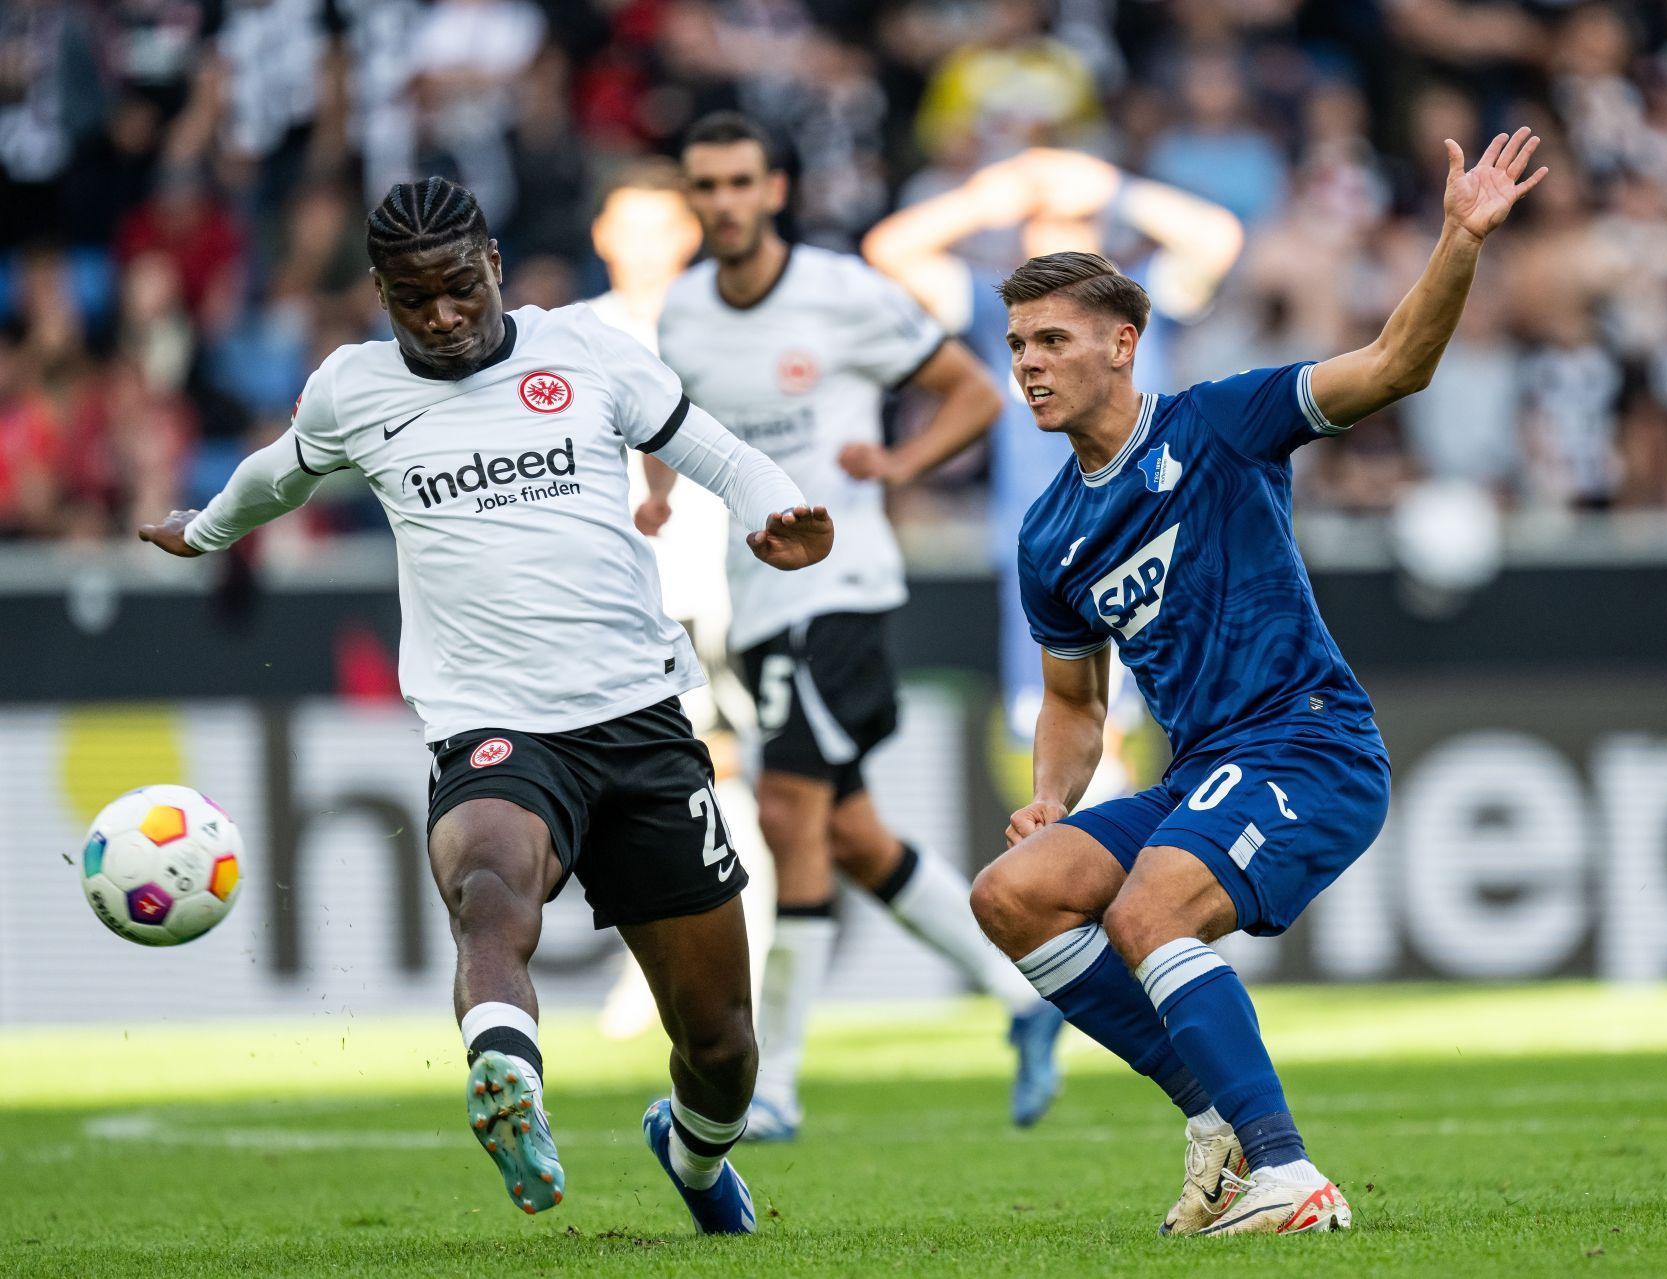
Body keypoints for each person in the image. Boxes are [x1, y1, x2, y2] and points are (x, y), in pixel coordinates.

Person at [137, 176, 835, 1234]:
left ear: (496, 265)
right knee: (491, 891)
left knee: (721, 1041)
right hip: (493, 725)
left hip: (640, 719)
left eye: (460, 287)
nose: (444, 315)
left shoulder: (587, 351)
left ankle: (695, 1161)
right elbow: (276, 477)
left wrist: (775, 509)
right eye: (414, 298)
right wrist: (204, 531)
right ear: (379, 293)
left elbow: (717, 456)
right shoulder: (352, 390)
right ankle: (507, 1082)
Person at [968, 130, 1547, 1237]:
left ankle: (1289, 1174)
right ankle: (1219, 1117)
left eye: (1052, 340)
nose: (1028, 364)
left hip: (1306, 745)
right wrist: (1055, 793)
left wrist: (1459, 239)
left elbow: (1393, 366)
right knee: (1015, 891)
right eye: (1017, 345)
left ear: (1124, 343)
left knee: (1147, 912)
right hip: (1202, 772)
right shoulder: (1049, 534)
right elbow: (1076, 702)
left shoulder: (1222, 424)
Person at [649, 111, 1066, 1141]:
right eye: (706, 185)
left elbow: (972, 390)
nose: (725, 202)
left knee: (788, 815)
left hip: (845, 588)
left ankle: (774, 1083)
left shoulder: (842, 293)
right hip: (756, 602)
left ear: (776, 190)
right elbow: (665, 412)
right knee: (849, 832)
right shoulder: (687, 311)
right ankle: (1024, 997)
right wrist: (655, 492)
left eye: (742, 181)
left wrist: (901, 466)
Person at [862, 146, 1242, 744]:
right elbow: (888, 253)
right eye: (1043, 226)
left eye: (1076, 226)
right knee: (1049, 745)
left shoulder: (1140, 303)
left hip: (1156, 545)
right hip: (1049, 559)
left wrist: (1111, 187)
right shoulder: (1002, 314)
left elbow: (1218, 239)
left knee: (1168, 744)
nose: (1060, 247)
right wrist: (984, 197)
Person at [583, 160, 773, 1043]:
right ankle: (665, 973)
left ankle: (735, 975)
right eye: (630, 225)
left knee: (714, 778)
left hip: (706, 587)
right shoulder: (571, 334)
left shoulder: (719, 323)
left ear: (688, 237)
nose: (645, 244)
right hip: (607, 600)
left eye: (663, 227)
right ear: (602, 235)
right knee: (632, 793)